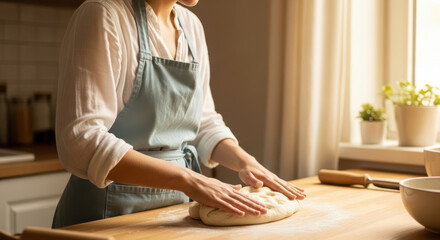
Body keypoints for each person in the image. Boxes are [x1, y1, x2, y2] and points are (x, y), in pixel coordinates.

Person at [52, 0, 306, 228]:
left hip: (173, 216)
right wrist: (188, 179)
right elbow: (81, 141)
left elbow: (203, 121)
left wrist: (246, 162)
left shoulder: (191, 26)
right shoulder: (104, 15)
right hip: (106, 218)